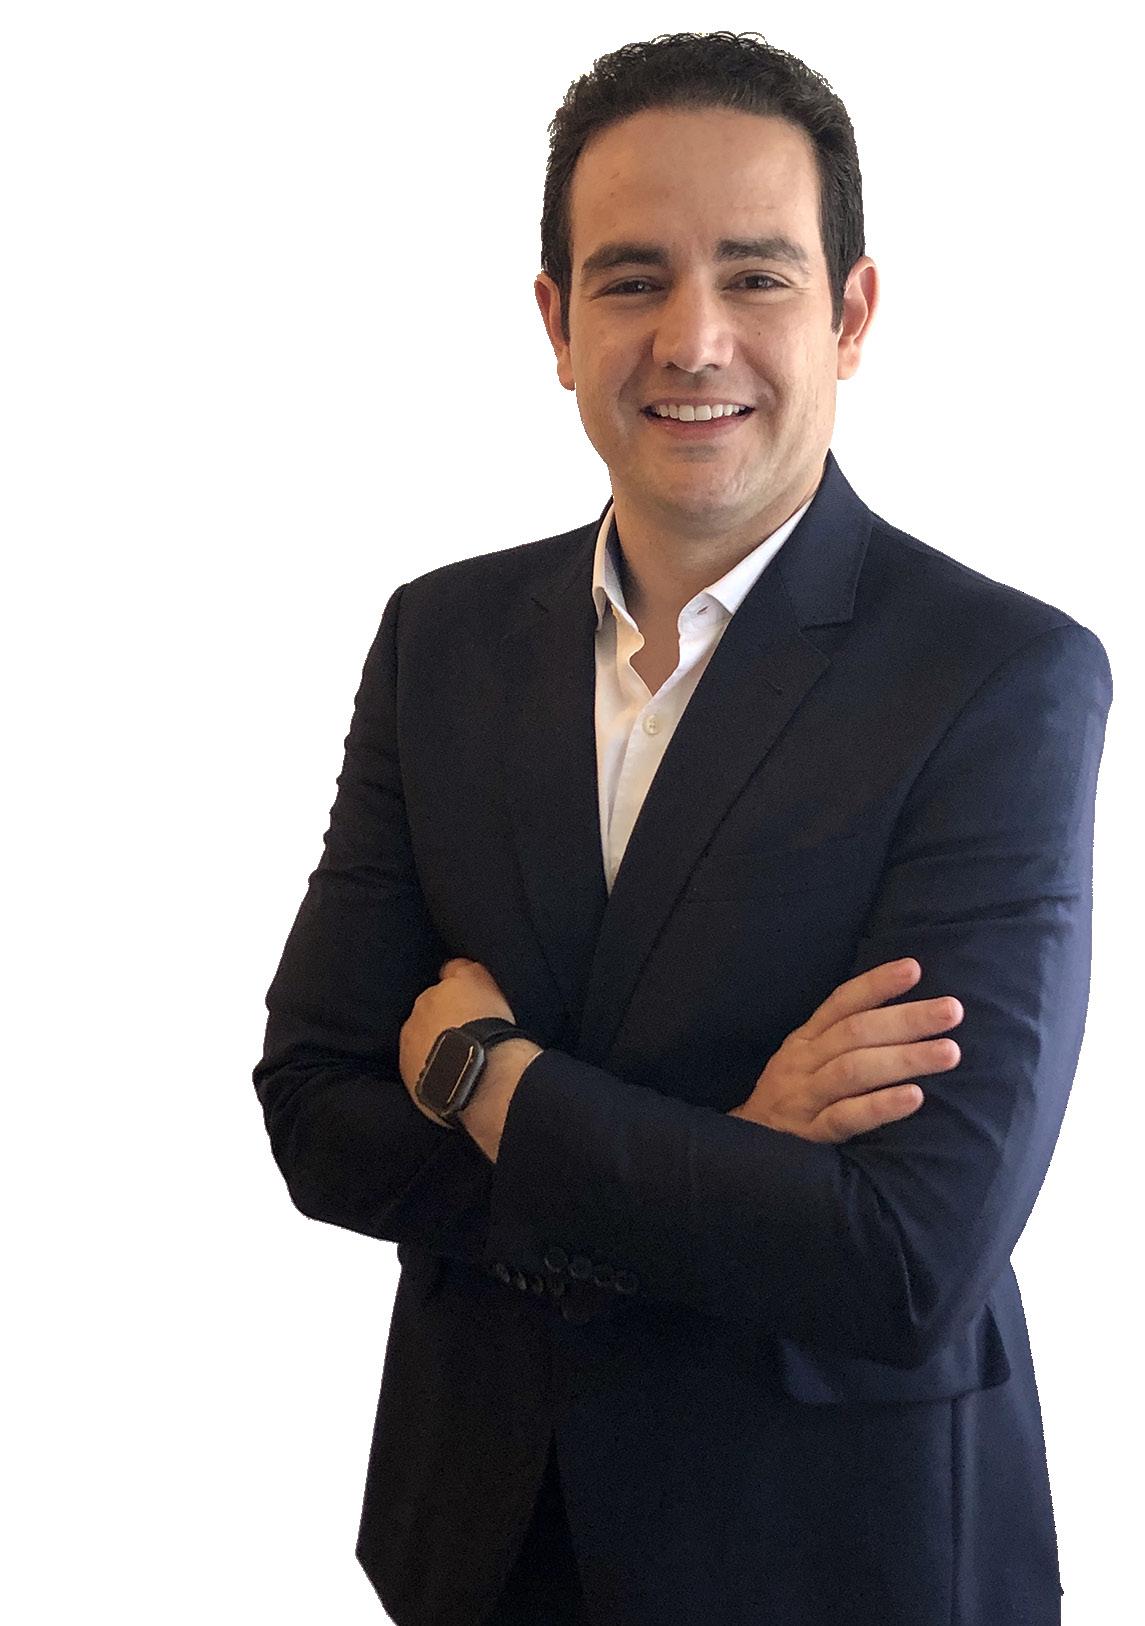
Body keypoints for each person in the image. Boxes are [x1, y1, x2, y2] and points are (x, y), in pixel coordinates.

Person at [252, 31, 1111, 1626]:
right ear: (555, 322)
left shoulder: (998, 677)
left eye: (756, 275)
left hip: (835, 1552)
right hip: (486, 1536)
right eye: (632, 278)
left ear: (850, 315)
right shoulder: (440, 640)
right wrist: (731, 1158)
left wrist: (489, 1078)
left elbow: (906, 1256)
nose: (691, 338)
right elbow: (313, 1106)